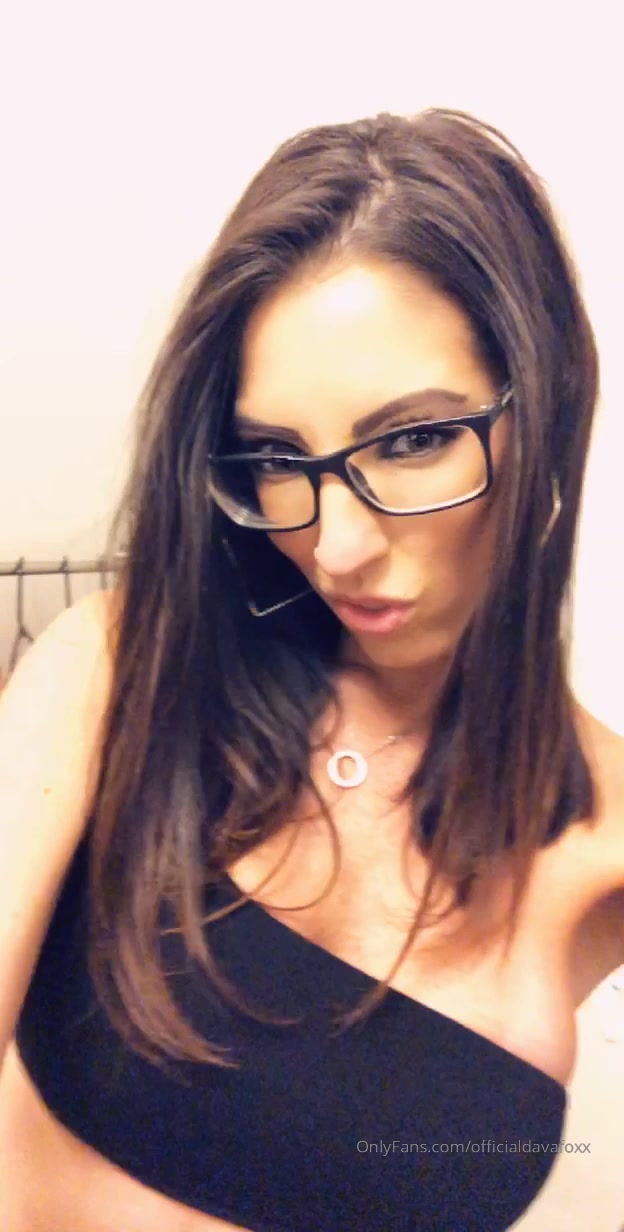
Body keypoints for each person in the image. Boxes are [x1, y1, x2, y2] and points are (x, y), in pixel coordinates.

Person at [0, 107, 623, 1232]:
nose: (334, 546)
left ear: (548, 407)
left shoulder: (605, 843)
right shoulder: (115, 674)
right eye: (278, 457)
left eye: (413, 438)